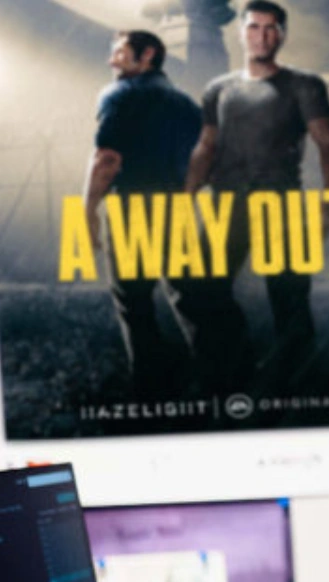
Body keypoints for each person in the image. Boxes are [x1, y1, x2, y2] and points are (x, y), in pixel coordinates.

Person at [184, 0, 329, 398]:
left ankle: (302, 387)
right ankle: (236, 369)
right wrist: (185, 198)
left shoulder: (304, 85)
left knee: (289, 299)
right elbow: (206, 146)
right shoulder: (218, 89)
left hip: (279, 205)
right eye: (254, 27)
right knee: (201, 288)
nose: (262, 36)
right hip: (227, 205)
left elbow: (327, 143)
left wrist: (328, 205)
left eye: (271, 28)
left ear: (282, 35)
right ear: (240, 32)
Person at [83, 30, 203, 400]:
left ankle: (151, 390)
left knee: (134, 303)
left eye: (119, 52)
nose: (111, 60)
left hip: (133, 207)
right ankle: (218, 385)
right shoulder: (186, 104)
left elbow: (107, 159)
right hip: (177, 207)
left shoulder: (119, 94)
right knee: (190, 299)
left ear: (147, 54)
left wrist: (88, 209)